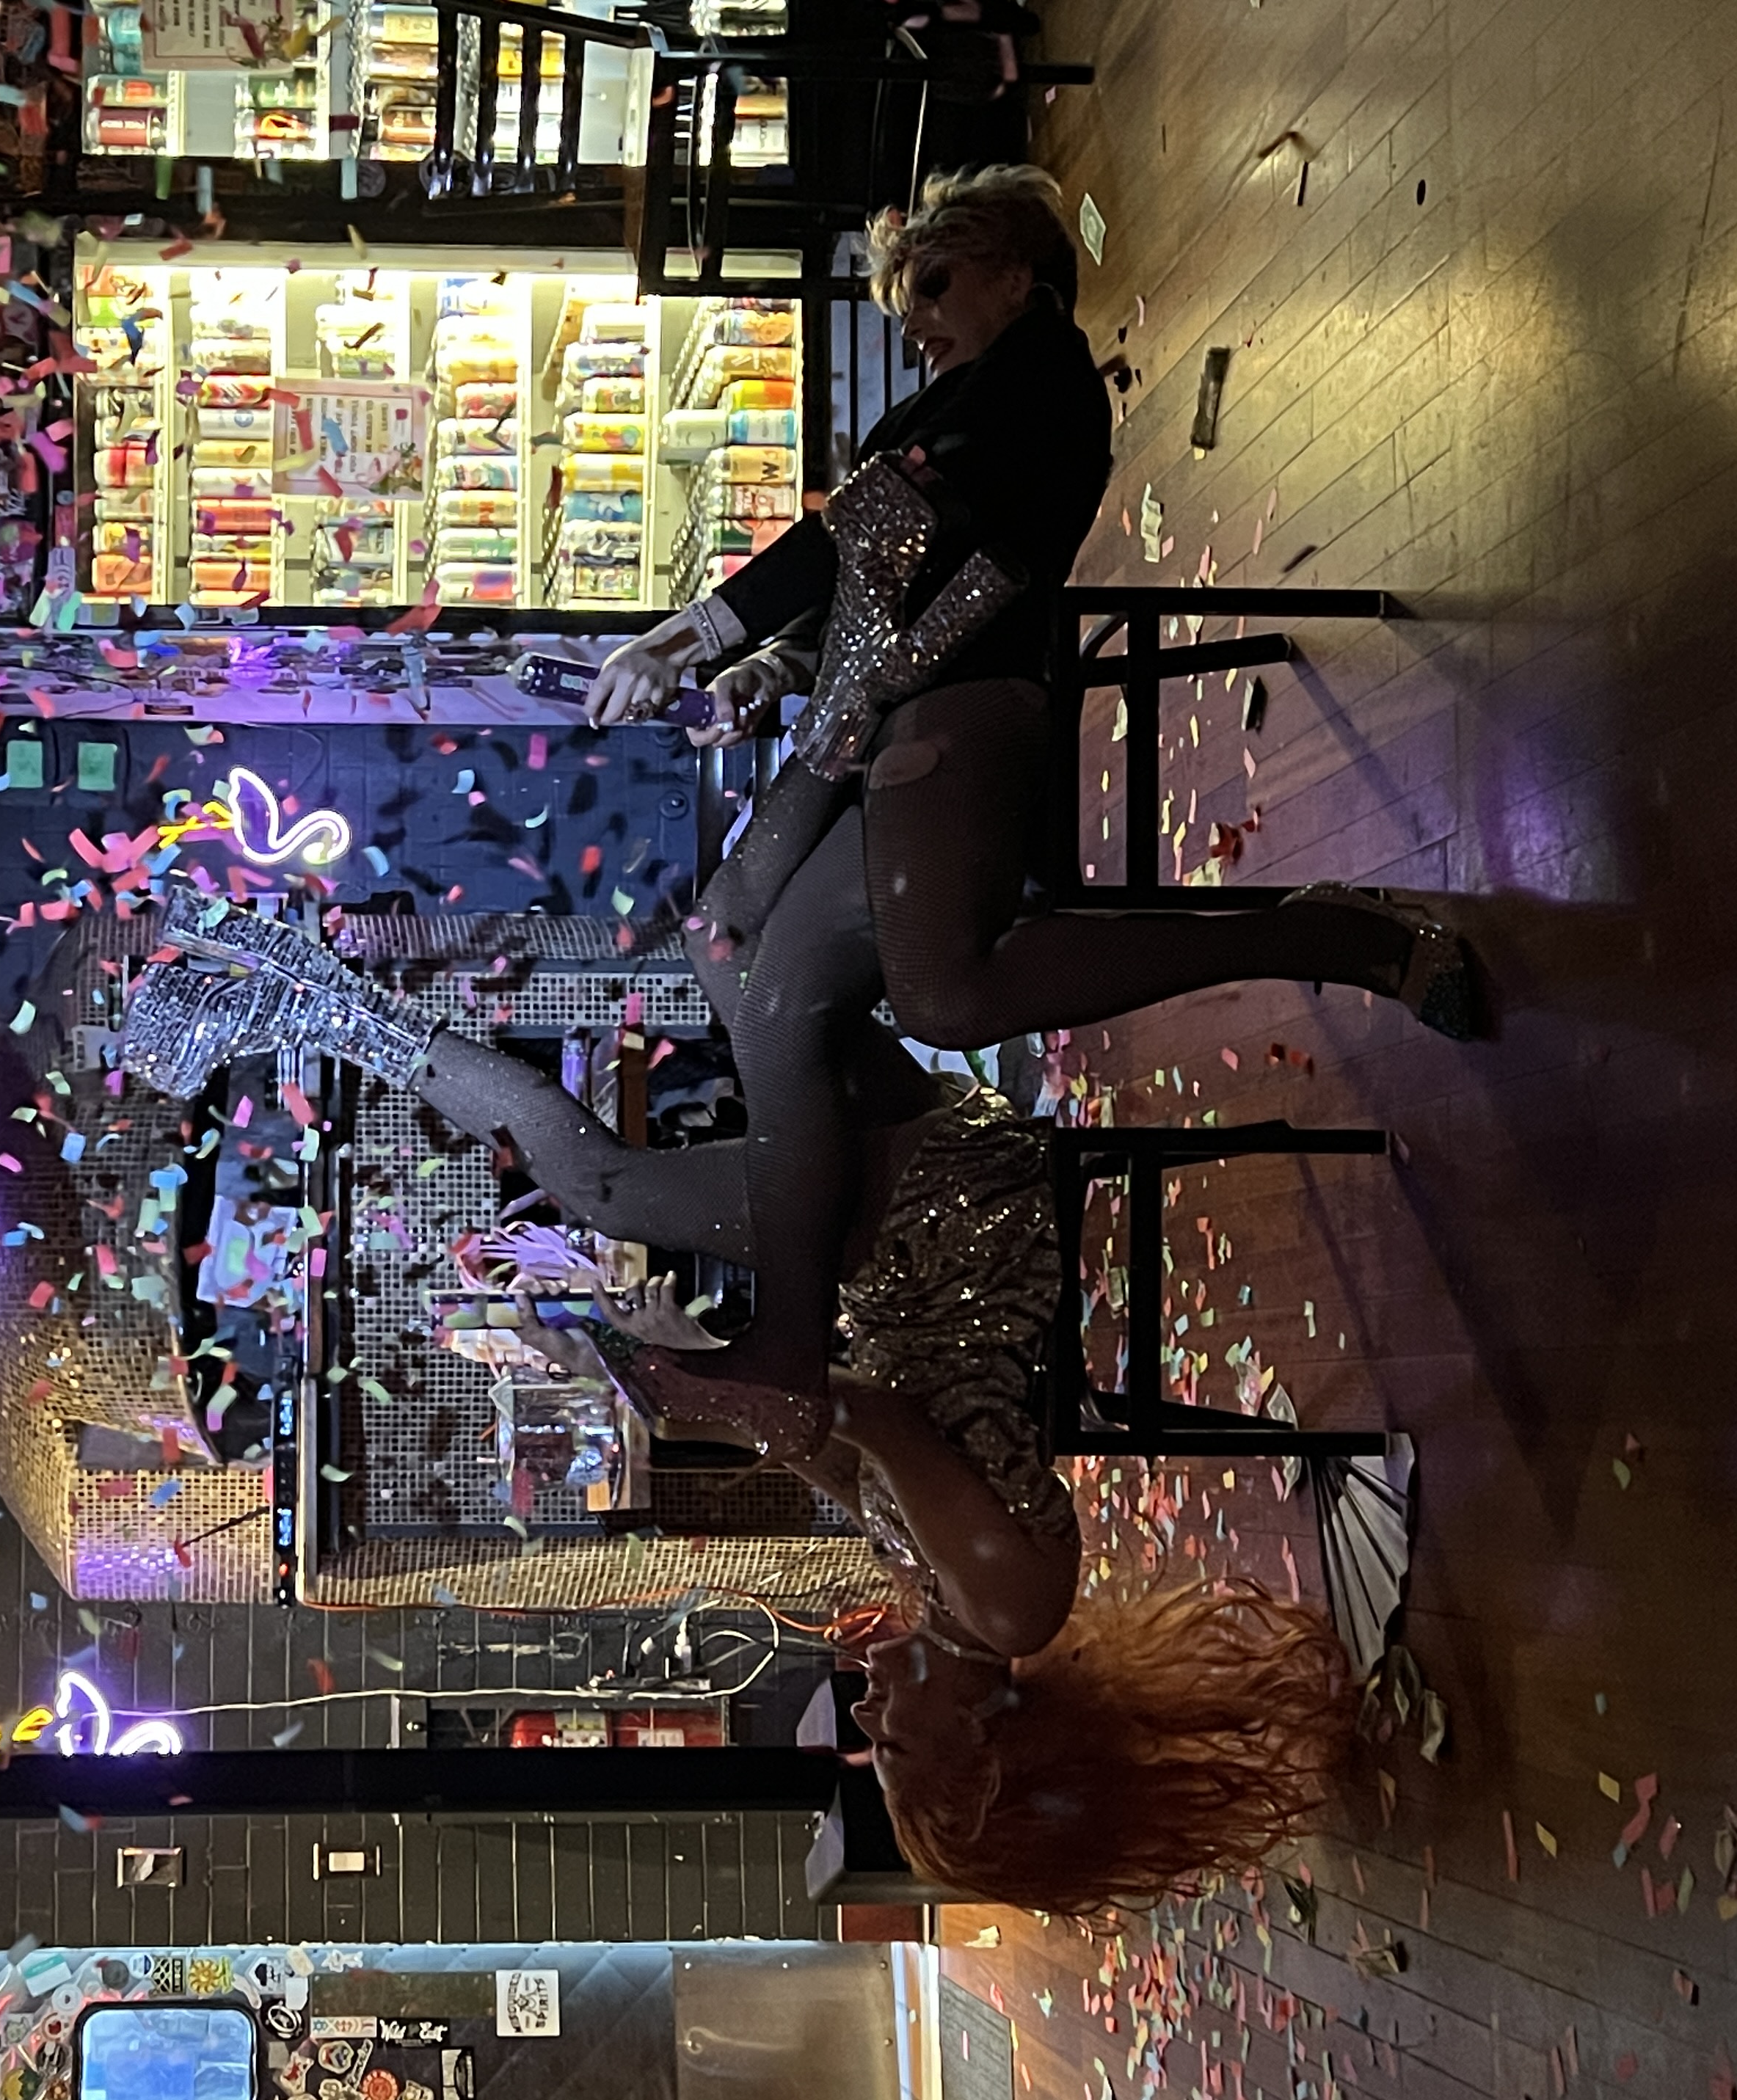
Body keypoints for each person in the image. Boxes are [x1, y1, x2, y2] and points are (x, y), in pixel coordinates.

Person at [114, 884, 1352, 1920]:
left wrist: (651, 1370)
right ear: (993, 1744)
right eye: (899, 1739)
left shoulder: (939, 1598)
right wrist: (719, 1396)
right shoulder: (1009, 1605)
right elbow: (861, 1413)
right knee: (604, 1176)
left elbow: (812, 1443)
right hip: (945, 1223)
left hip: (878, 1251)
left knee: (734, 958)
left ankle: (319, 1007)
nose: (866, 1710)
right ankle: (315, 1004)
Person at [572, 166, 1479, 1434]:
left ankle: (1340, 939)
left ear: (1017, 269)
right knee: (746, 963)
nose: (919, 318)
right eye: (906, 303)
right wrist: (763, 665)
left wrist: (704, 628)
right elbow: (869, 584)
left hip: (961, 714)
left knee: (921, 994)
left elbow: (870, 552)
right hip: (878, 733)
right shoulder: (951, 402)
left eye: (935, 284)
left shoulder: (1035, 383)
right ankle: (815, 1270)